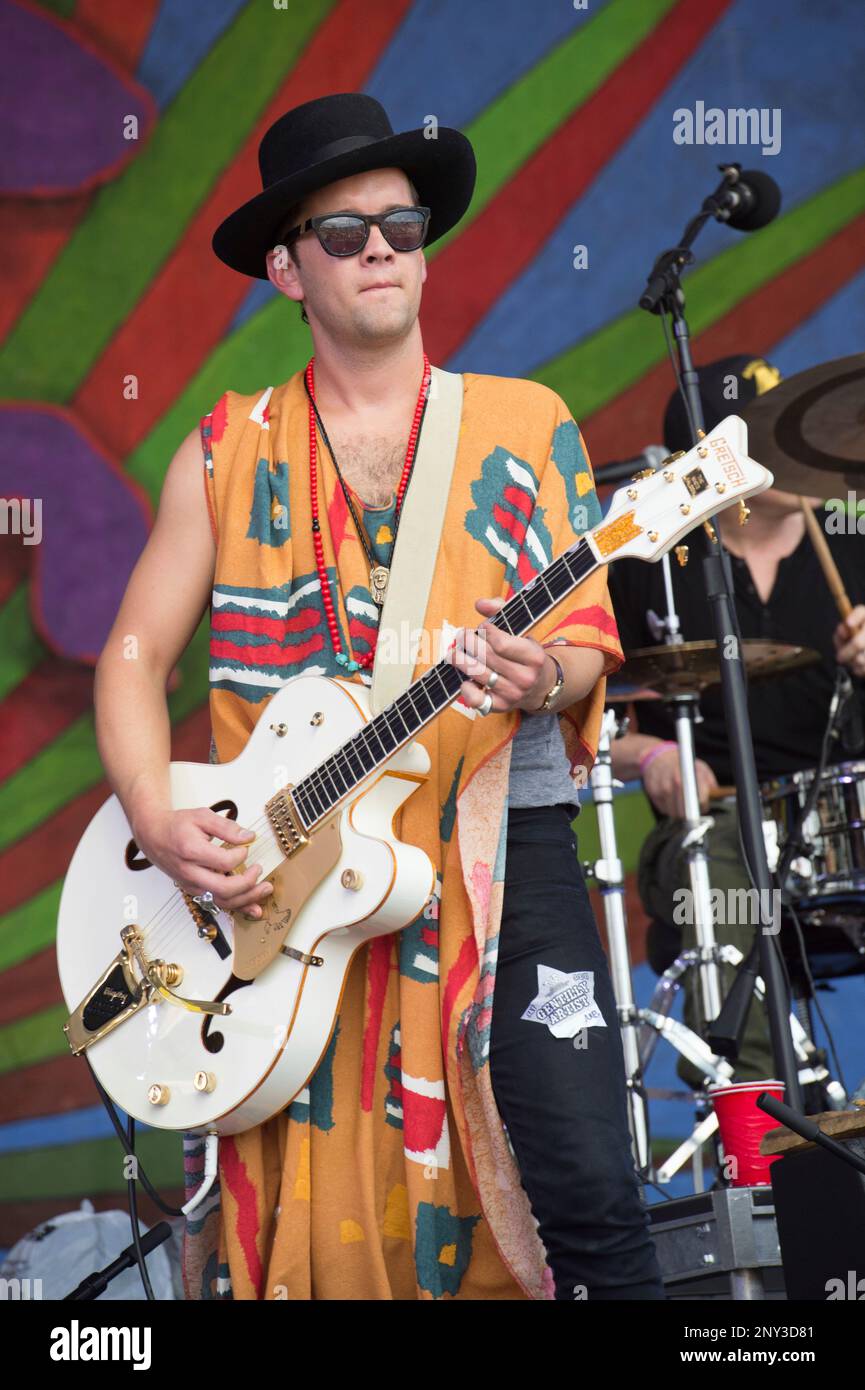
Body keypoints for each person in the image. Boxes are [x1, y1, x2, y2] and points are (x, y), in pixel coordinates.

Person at [93, 93, 663, 1300]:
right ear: (288, 270)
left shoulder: (526, 425)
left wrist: (537, 671)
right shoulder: (225, 448)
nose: (382, 253)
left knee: (592, 1205)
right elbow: (134, 656)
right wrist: (153, 814)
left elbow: (581, 650)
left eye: (401, 227)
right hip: (290, 892)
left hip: (506, 850)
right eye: (343, 234)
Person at [608, 356, 865, 1091]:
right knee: (718, 866)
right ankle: (761, 1134)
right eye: (764, 439)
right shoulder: (647, 566)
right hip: (711, 820)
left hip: (843, 816)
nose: (790, 451)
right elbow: (585, 730)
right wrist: (650, 753)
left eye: (796, 429)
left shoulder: (851, 533)